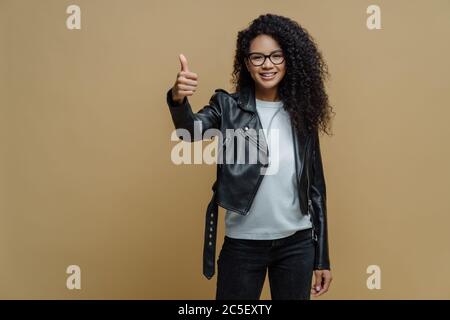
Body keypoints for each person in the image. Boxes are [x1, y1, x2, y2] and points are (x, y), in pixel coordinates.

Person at [166, 13, 334, 300]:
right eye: (257, 57)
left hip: (297, 245)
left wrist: (322, 259)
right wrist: (178, 98)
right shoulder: (228, 106)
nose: (267, 64)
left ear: (288, 60)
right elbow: (189, 131)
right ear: (246, 63)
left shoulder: (302, 113)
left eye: (276, 56)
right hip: (244, 246)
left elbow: (316, 188)